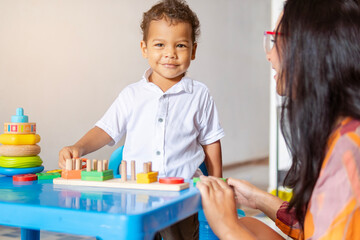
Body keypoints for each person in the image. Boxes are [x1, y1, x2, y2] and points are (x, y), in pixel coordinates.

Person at [59, 0, 224, 239]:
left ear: (194, 50)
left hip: (182, 195)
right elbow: (106, 129)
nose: (170, 53)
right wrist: (79, 147)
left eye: (180, 45)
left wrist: (217, 183)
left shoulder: (199, 94)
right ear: (144, 48)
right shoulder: (132, 95)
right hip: (136, 194)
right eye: (160, 44)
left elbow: (211, 141)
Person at [197, 0, 360, 239]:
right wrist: (256, 198)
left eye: (277, 40)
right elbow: (319, 220)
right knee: (251, 225)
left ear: (311, 48)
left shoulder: (349, 152)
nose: (269, 55)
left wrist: (226, 225)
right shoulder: (342, 132)